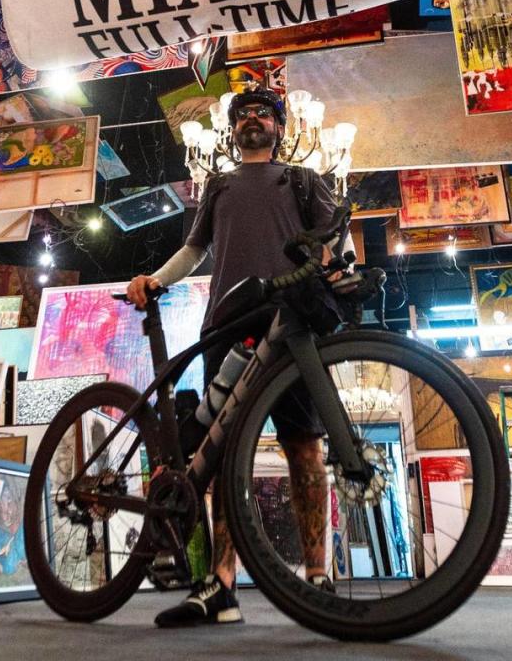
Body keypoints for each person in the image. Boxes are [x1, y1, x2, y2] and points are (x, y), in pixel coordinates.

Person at [127, 87, 346, 627]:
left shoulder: (302, 179)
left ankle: (319, 578)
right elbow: (194, 250)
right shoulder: (218, 186)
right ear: (232, 130)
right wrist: (155, 278)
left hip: (289, 324)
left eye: (263, 113)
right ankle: (220, 588)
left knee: (304, 448)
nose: (252, 119)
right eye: (242, 114)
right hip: (226, 325)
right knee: (223, 456)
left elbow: (333, 240)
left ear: (279, 126)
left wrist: (339, 268)